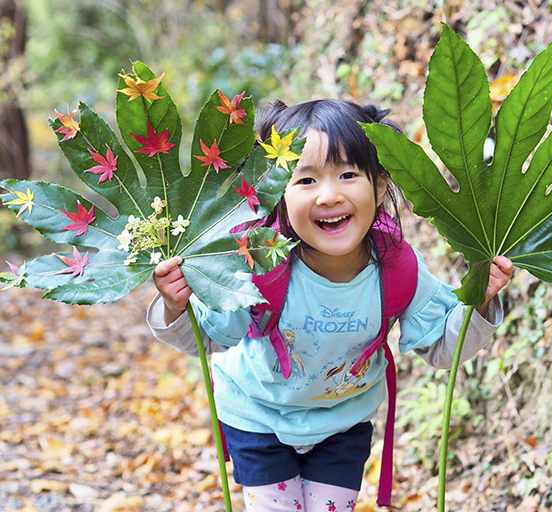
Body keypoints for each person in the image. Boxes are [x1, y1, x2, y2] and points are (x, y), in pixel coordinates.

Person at [147, 99, 513, 512]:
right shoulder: (257, 259)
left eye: (347, 174)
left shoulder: (398, 265)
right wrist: (174, 306)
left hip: (343, 423)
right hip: (258, 416)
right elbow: (211, 338)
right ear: (276, 196)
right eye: (305, 181)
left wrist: (479, 303)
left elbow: (444, 347)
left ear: (378, 184)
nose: (328, 195)